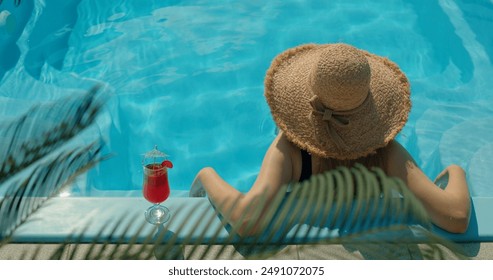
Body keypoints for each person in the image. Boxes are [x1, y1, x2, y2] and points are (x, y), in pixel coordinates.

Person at [190, 43, 470, 235]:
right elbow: (456, 217)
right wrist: (455, 171)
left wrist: (206, 175)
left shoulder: (290, 151)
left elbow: (246, 220)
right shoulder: (388, 154)